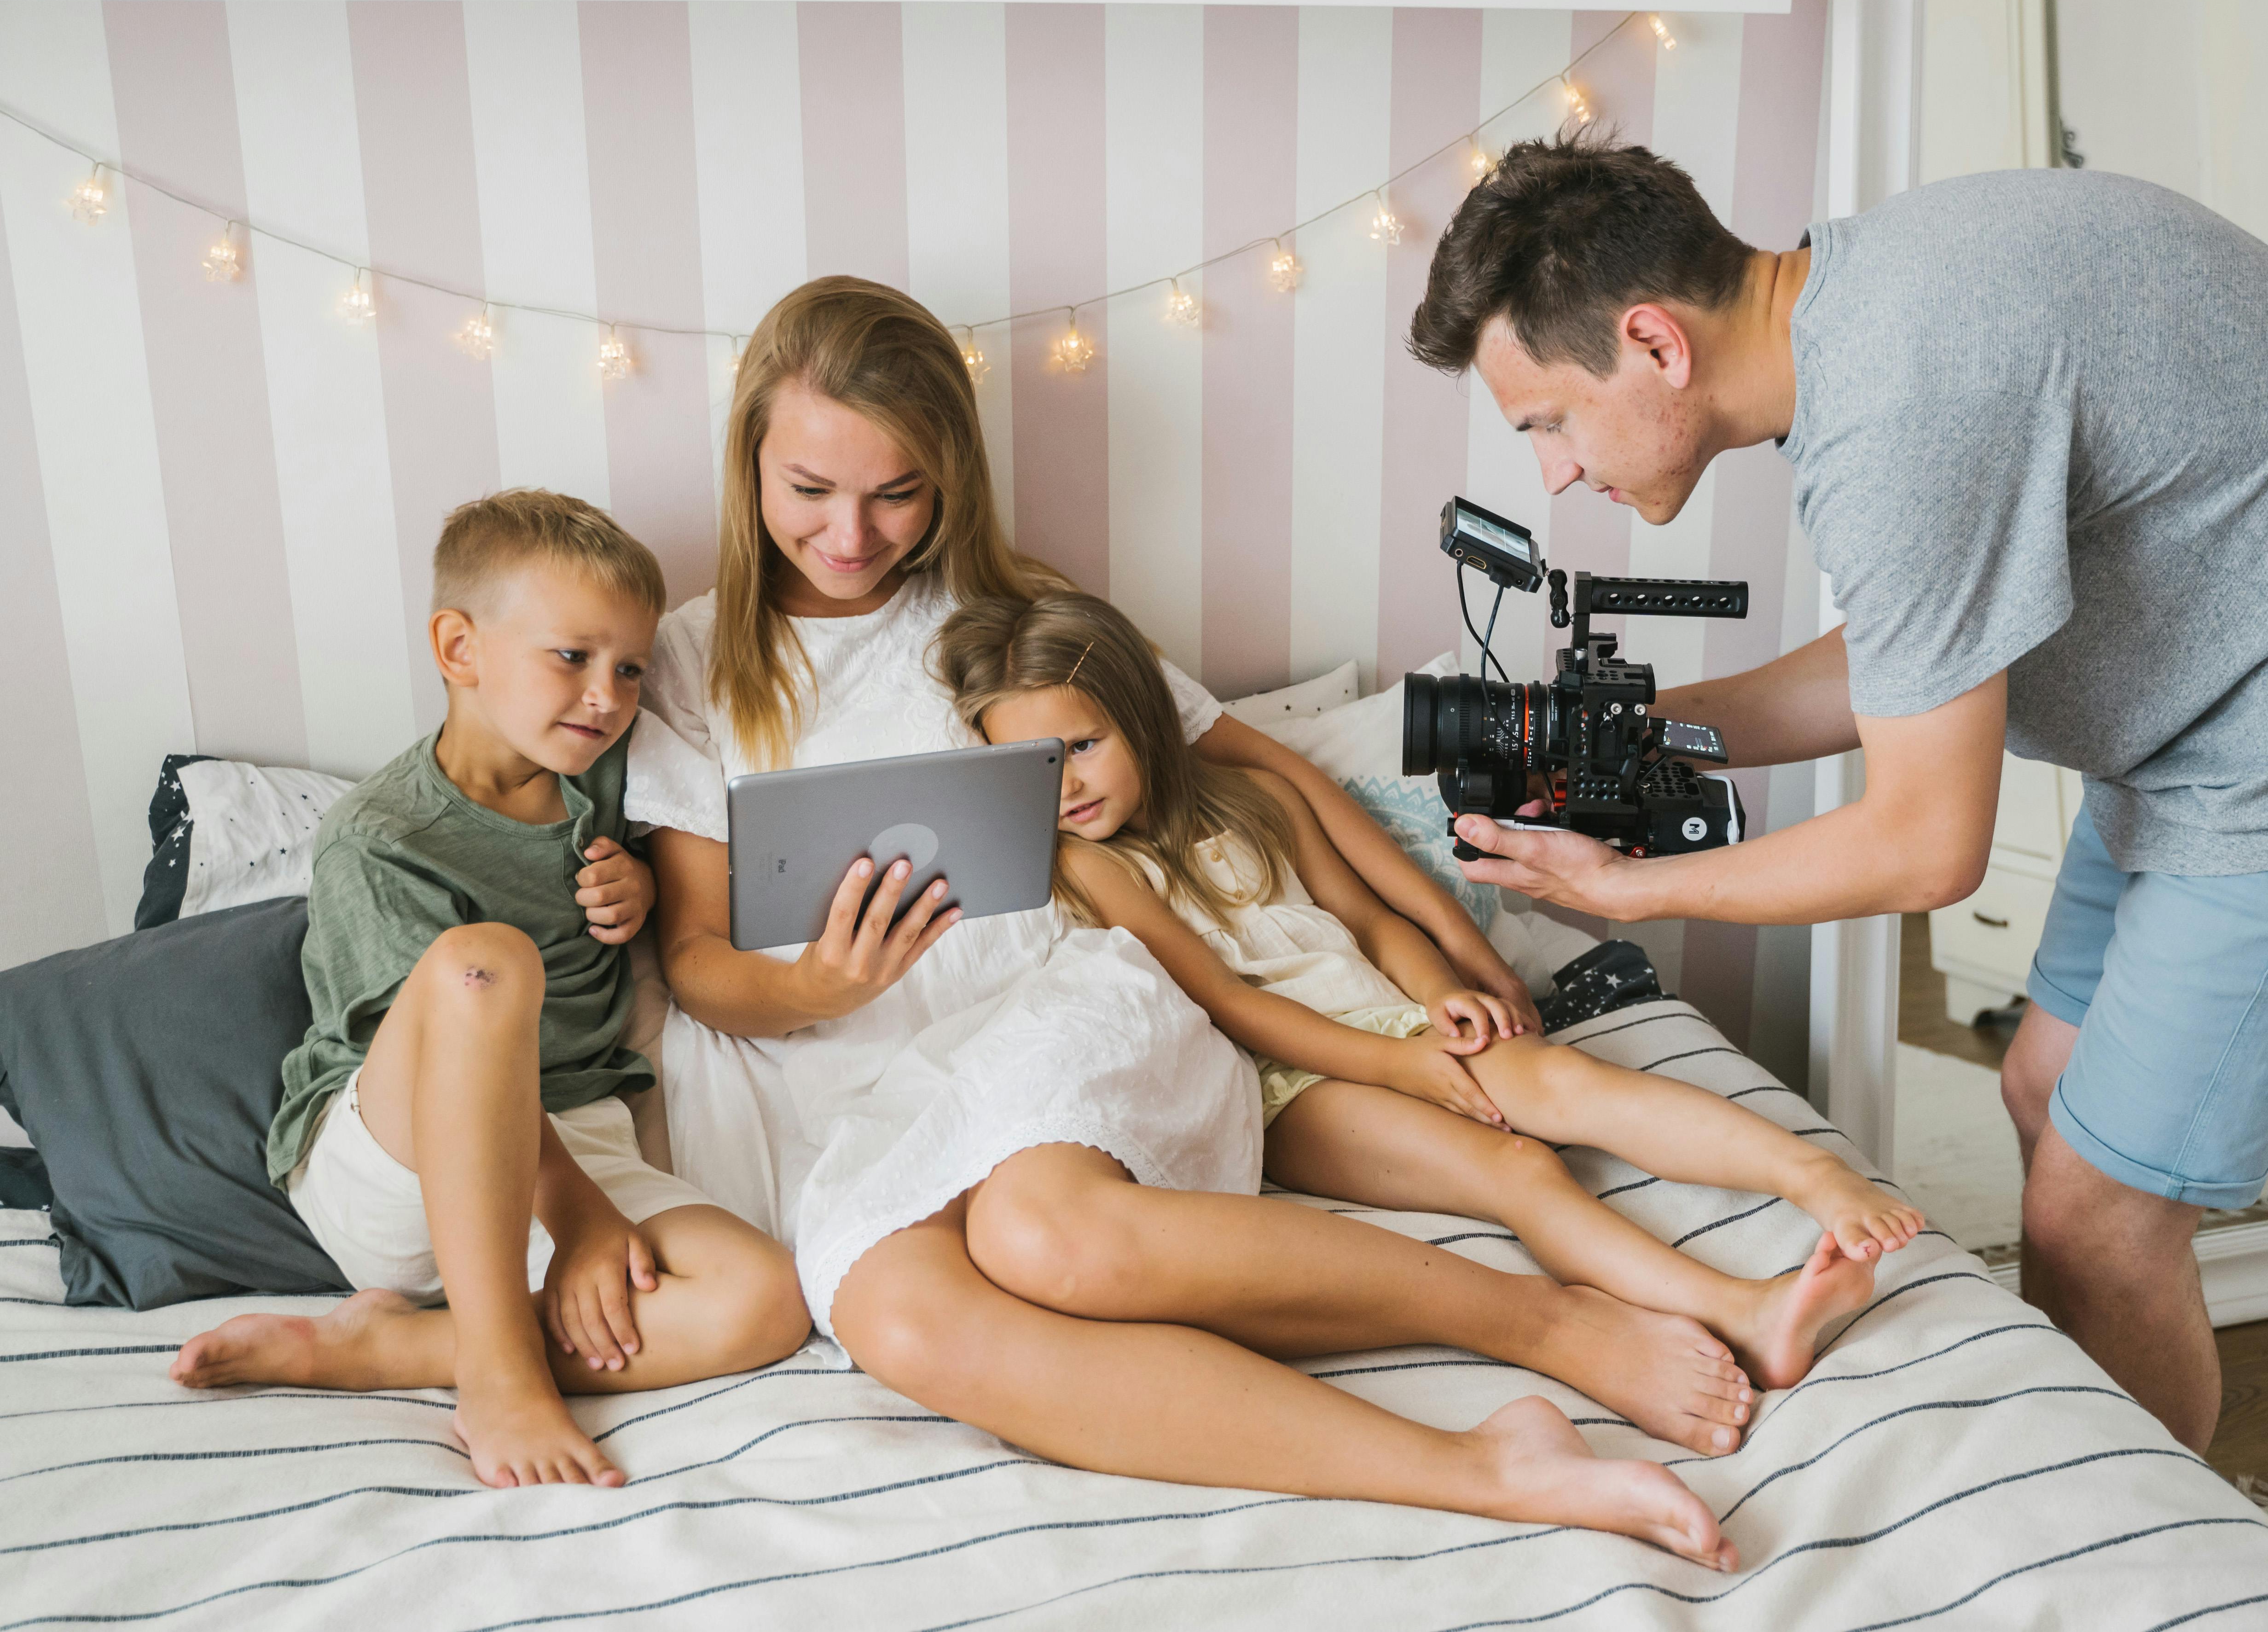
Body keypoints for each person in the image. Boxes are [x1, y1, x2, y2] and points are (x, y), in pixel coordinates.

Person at [1402, 134, 2268, 1453]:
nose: (1557, 471)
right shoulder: (1875, 303)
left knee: (2096, 1218)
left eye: (1548, 422)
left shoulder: (1895, 411)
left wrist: (1629, 889)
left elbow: (1924, 847)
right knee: (2040, 1084)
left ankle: (2128, 1538)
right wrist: (1633, 734)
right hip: (2225, 718)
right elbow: (1917, 646)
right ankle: (2093, 1441)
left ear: (1654, 343)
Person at [630, 276, 1755, 1567]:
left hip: (1060, 1014)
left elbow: (1267, 770)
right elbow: (698, 964)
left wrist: (1458, 945)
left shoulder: (1007, 612)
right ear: (749, 465)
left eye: (898, 492)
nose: (851, 533)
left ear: (951, 478)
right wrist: (821, 985)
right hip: (844, 1080)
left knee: (1045, 1235)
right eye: (810, 489)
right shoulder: (694, 659)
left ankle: (1542, 1322)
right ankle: (1481, 1467)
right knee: (901, 1323)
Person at [940, 586, 1919, 1391]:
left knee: (1567, 1085)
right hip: (1289, 1085)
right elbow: (1229, 1005)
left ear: (1144, 719)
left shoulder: (1261, 798)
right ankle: (1745, 1313)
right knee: (1521, 1170)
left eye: (1082, 746)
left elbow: (1371, 924)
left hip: (1392, 1018)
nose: (1065, 788)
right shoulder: (1091, 867)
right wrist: (1399, 1066)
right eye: (1034, 768)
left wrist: (1438, 1000)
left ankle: (1811, 1174)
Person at [170, 491, 812, 1489]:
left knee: (763, 1301)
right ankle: (501, 1376)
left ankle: (394, 1349)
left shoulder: (609, 778)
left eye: (629, 668)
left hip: (581, 1137)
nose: (607, 695)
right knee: (488, 961)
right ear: (460, 649)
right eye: (572, 656)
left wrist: (644, 886)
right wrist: (581, 1216)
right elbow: (445, 1048)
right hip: (400, 1169)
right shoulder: (382, 837)